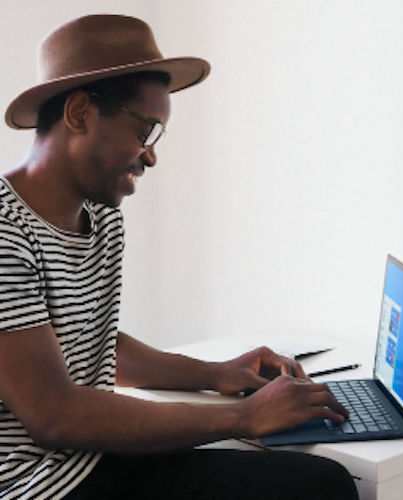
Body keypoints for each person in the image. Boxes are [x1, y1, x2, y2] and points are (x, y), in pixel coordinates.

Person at [0, 14, 359, 500]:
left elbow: (97, 341)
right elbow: (54, 416)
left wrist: (217, 374)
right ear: (81, 113)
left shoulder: (100, 216)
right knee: (321, 487)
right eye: (145, 131)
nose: (150, 157)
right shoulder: (6, 233)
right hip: (38, 485)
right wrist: (245, 416)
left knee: (314, 474)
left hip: (92, 460)